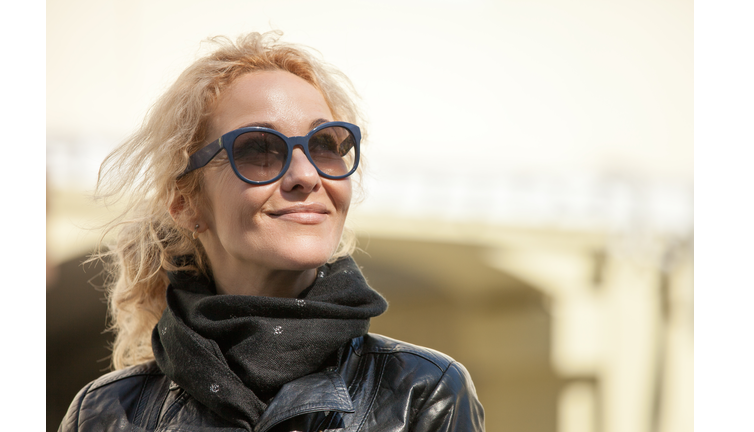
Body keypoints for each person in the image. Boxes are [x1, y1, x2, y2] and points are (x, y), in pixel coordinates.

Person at [59, 31, 485, 431]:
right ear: (186, 204)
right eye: (259, 149)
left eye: (325, 144)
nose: (305, 175)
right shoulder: (106, 412)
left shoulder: (425, 392)